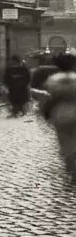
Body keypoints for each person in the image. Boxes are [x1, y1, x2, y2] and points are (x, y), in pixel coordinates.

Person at [42, 51, 76, 181]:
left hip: (60, 114)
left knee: (64, 141)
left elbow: (50, 99)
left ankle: (70, 166)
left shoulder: (53, 79)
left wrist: (46, 114)